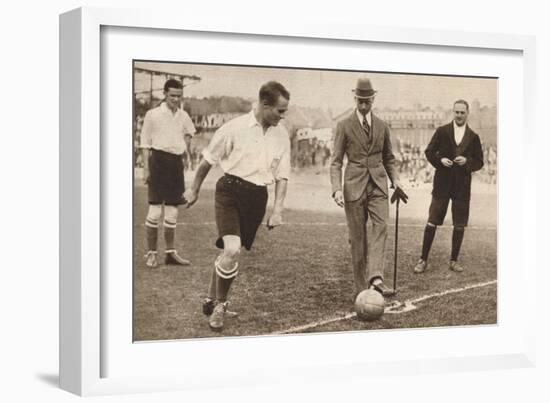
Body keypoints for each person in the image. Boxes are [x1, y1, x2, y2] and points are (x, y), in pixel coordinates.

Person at [184, 81, 291, 331]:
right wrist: (194, 189)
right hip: (229, 191)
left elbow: (282, 175)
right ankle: (221, 305)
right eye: (280, 110)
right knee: (232, 250)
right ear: (265, 105)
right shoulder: (234, 128)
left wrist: (277, 210)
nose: (283, 116)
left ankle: (210, 298)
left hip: (257, 197)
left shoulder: (281, 134)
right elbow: (207, 161)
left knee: (229, 253)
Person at [330, 77, 408, 300]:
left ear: (374, 99)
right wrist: (336, 189)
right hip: (353, 186)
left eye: (367, 101)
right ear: (355, 98)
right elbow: (335, 161)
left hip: (378, 186)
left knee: (381, 226)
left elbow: (389, 158)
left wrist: (396, 180)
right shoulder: (343, 126)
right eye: (360, 101)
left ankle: (375, 278)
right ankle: (361, 289)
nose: (364, 105)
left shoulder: (382, 126)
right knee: (358, 237)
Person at [413, 100, 484, 274]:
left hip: (462, 186)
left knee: (459, 224)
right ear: (452, 112)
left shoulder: (473, 136)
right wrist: (440, 161)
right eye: (456, 112)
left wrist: (467, 161)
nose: (459, 115)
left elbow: (480, 161)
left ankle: (454, 260)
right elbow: (429, 152)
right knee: (432, 221)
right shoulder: (442, 131)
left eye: (462, 112)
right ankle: (423, 259)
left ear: (467, 113)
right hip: (442, 184)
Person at [140, 78, 196, 268]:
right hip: (158, 162)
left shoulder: (183, 115)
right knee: (155, 212)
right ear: (164, 94)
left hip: (175, 164)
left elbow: (190, 132)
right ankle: (151, 253)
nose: (176, 99)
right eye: (172, 95)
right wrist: (147, 169)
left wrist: (185, 145)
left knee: (172, 212)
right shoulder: (152, 115)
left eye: (179, 96)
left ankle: (170, 254)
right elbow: (145, 143)